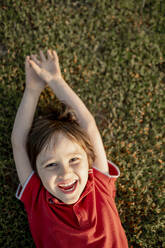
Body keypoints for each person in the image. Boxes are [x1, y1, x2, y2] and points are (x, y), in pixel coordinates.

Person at [11, 49, 128, 248]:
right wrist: (32, 90)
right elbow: (19, 143)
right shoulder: (37, 196)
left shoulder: (98, 182)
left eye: (74, 160)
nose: (65, 172)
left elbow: (89, 126)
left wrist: (57, 80)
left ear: (89, 159)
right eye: (50, 164)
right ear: (36, 170)